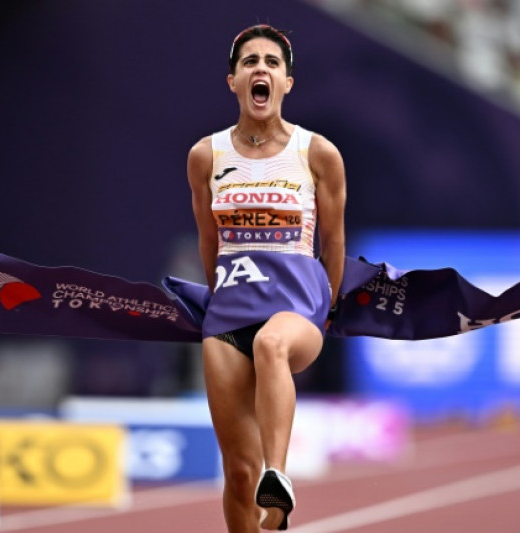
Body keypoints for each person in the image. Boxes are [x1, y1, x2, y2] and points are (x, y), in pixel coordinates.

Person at [187, 24, 346, 532]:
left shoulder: (316, 153)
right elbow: (207, 241)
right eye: (250, 62)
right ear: (232, 80)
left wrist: (329, 308)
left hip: (297, 309)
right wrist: (218, 300)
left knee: (272, 345)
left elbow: (334, 243)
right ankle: (259, 484)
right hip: (229, 315)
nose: (261, 69)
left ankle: (278, 475)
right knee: (236, 473)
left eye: (272, 63)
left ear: (287, 83)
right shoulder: (206, 156)